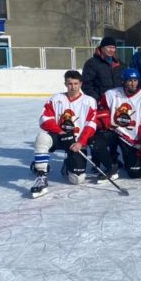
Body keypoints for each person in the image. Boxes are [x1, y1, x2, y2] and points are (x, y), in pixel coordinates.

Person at [29, 70, 98, 198]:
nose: (73, 87)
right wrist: (60, 132)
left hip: (76, 142)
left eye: (76, 83)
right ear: (65, 84)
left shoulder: (89, 101)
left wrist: (80, 143)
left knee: (77, 180)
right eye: (70, 84)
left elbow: (91, 125)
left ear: (81, 84)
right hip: (58, 137)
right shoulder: (56, 99)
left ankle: (67, 163)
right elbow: (44, 119)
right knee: (42, 138)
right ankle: (41, 174)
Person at [94, 67, 141, 179]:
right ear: (123, 81)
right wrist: (105, 120)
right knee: (96, 141)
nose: (133, 84)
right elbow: (101, 110)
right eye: (130, 81)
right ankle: (111, 165)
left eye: (135, 80)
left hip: (131, 137)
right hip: (113, 131)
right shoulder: (111, 94)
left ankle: (129, 161)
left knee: (135, 173)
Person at [81, 36, 123, 101]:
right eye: (109, 47)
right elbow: (86, 85)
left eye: (113, 48)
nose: (111, 50)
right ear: (102, 48)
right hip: (101, 102)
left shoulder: (118, 63)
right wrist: (98, 99)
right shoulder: (92, 63)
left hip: (118, 101)